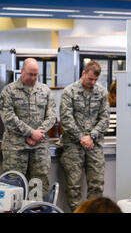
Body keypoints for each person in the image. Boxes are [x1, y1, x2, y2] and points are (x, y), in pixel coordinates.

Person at [0, 58, 56, 197]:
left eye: (36, 75)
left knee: (37, 187)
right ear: (22, 72)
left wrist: (38, 134)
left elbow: (51, 116)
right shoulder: (9, 91)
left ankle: (35, 210)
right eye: (30, 74)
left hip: (39, 149)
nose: (33, 78)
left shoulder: (45, 91)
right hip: (15, 149)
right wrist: (31, 133)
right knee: (12, 187)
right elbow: (8, 118)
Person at [59, 60, 110, 212]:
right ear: (83, 73)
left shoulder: (101, 92)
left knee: (97, 184)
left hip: (94, 144)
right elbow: (66, 118)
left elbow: (105, 118)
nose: (92, 82)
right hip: (73, 144)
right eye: (90, 79)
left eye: (95, 80)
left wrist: (91, 136)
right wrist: (81, 137)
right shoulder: (70, 91)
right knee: (73, 186)